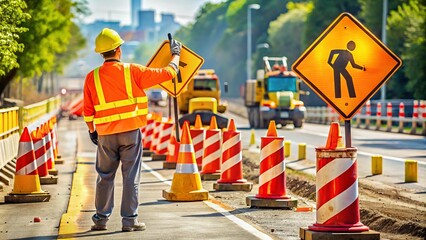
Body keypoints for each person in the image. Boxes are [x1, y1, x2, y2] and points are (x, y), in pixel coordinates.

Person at [83, 28, 181, 232]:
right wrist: (176, 55)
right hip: (130, 133)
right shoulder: (133, 71)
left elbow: (88, 111)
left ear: (102, 53)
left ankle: (100, 220)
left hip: (105, 134)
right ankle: (129, 221)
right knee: (130, 176)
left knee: (105, 175)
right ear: (118, 50)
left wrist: (93, 131)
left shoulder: (91, 77)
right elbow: (169, 73)